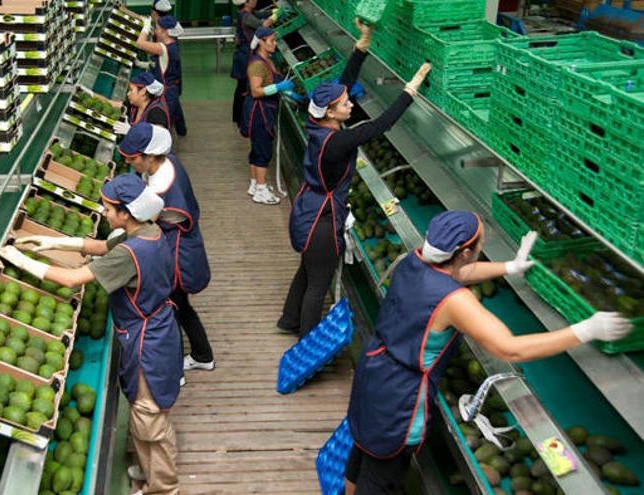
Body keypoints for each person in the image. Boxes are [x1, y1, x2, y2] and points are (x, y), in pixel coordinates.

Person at [345, 211, 633, 495]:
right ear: (467, 252)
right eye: (481, 244)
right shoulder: (454, 301)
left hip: (374, 374)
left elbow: (460, 271)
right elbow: (511, 348)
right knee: (380, 478)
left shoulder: (416, 260)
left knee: (360, 457)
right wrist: (585, 331)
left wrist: (510, 267)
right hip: (398, 399)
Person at [0, 174, 182, 495]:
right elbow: (100, 247)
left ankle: (164, 488)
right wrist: (53, 242)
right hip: (154, 328)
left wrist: (21, 261)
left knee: (150, 416)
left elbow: (73, 279)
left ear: (126, 213)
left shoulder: (130, 252)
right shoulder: (147, 232)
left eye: (109, 208)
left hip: (148, 341)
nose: (105, 212)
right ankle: (151, 469)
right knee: (143, 410)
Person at [278, 19, 430, 335]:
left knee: (307, 272)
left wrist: (364, 43)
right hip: (322, 221)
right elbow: (381, 125)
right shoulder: (338, 142)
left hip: (308, 210)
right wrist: (411, 87)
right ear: (332, 112)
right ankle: (307, 342)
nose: (351, 103)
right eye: (346, 103)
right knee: (317, 285)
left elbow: (343, 83)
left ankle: (289, 320)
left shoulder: (317, 120)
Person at [119, 122, 215, 377]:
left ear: (150, 156)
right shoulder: (168, 161)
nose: (131, 163)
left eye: (133, 158)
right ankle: (202, 355)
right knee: (181, 307)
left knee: (169, 311)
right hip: (180, 246)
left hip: (176, 254)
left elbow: (142, 220)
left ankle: (175, 374)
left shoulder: (160, 190)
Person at [240, 27, 303, 205]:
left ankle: (254, 184)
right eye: (272, 40)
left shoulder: (267, 59)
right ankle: (261, 190)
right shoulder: (257, 64)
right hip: (259, 112)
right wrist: (279, 88)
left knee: (256, 149)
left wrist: (288, 92)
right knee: (263, 151)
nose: (275, 43)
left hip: (265, 109)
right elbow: (256, 91)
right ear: (261, 41)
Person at [137, 16, 187, 136]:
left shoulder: (163, 48)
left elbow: (140, 43)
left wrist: (146, 26)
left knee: (163, 125)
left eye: (157, 29)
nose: (155, 31)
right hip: (172, 88)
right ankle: (182, 131)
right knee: (175, 110)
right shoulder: (173, 44)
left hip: (165, 93)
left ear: (165, 32)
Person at [230, 0, 276, 126]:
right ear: (247, 3)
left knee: (242, 86)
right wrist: (275, 16)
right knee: (243, 88)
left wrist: (272, 11)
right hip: (244, 55)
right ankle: (241, 119)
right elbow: (263, 24)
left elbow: (260, 13)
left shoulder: (247, 12)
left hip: (244, 52)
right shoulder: (246, 17)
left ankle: (238, 117)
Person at [83, 72, 170, 135]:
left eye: (131, 90)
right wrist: (91, 94)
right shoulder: (134, 105)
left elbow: (158, 140)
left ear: (143, 91)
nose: (128, 93)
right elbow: (111, 103)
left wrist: (132, 132)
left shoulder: (156, 114)